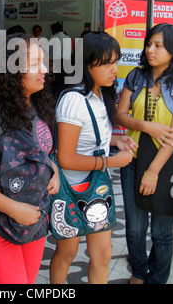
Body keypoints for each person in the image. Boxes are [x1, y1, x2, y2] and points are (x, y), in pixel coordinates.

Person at [0, 33, 60, 284]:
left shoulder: (36, 105)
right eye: (35, 63)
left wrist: (54, 169)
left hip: (33, 220)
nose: (44, 70)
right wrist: (13, 208)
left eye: (43, 62)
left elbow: (41, 151)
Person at [50, 31, 136, 284]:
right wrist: (112, 161)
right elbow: (66, 158)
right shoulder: (74, 100)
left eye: (116, 62)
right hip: (70, 189)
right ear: (86, 65)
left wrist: (114, 141)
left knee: (103, 254)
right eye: (107, 63)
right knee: (67, 253)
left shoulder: (100, 94)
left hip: (96, 189)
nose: (115, 69)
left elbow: (89, 137)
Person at [116, 23, 173, 284]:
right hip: (132, 158)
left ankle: (158, 279)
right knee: (135, 227)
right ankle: (139, 272)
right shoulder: (136, 76)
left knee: (163, 232)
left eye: (158, 45)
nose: (150, 50)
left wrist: (153, 172)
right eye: (149, 44)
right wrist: (144, 126)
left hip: (168, 163)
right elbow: (120, 115)